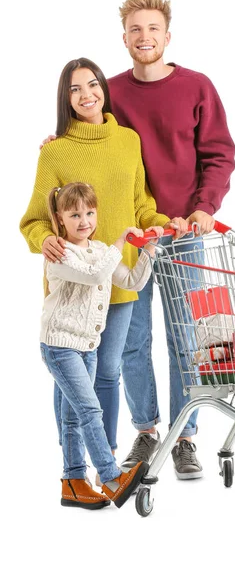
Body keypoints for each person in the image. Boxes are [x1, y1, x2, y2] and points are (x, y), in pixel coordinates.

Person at [20, 58, 187, 481]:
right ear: (66, 98)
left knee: (108, 372)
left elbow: (141, 205)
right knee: (72, 383)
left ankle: (103, 455)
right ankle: (76, 469)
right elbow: (34, 219)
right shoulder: (55, 151)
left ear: (103, 90)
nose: (86, 95)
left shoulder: (128, 141)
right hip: (75, 283)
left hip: (118, 277)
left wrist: (163, 225)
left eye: (92, 85)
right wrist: (45, 240)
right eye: (75, 90)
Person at [109, 0, 235, 478]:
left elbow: (218, 153)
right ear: (124, 38)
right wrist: (56, 141)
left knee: (187, 339)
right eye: (135, 30)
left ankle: (185, 435)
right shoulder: (113, 92)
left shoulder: (196, 87)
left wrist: (204, 208)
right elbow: (90, 139)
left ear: (167, 36)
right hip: (133, 240)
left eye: (153, 29)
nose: (144, 37)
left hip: (185, 235)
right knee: (132, 341)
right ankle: (146, 431)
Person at [40, 182, 164, 509]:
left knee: (72, 418)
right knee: (90, 409)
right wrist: (121, 241)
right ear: (60, 218)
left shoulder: (98, 251)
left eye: (90, 213)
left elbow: (131, 282)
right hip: (60, 346)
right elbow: (96, 276)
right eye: (75, 214)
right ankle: (111, 477)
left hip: (87, 347)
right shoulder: (60, 253)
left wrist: (147, 252)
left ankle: (73, 481)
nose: (84, 221)